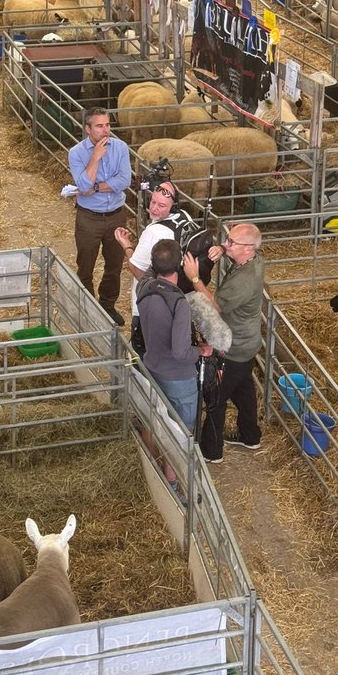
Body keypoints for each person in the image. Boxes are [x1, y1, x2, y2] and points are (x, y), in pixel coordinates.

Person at [183, 222, 264, 463]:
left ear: (248, 248)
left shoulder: (244, 281)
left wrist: (194, 277)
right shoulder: (254, 260)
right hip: (248, 342)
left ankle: (212, 451)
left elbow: (216, 305)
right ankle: (250, 436)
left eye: (231, 242)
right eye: (227, 239)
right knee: (244, 388)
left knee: (216, 399)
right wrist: (221, 248)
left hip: (233, 345)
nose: (227, 243)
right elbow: (233, 249)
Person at [137, 239, 213, 432]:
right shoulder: (179, 302)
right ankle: (172, 463)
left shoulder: (144, 287)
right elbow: (180, 352)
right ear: (180, 265)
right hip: (178, 377)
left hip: (152, 367)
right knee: (181, 432)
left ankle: (152, 461)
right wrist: (200, 351)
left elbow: (150, 269)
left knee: (154, 421)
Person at [68, 107, 132, 326]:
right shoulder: (76, 153)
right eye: (99, 126)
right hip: (89, 218)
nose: (106, 130)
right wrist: (94, 158)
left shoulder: (121, 147)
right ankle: (88, 308)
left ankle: (107, 305)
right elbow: (82, 185)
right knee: (85, 263)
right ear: (88, 129)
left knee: (114, 264)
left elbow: (124, 181)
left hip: (116, 215)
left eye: (107, 125)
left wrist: (94, 187)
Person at [115, 179, 180, 353]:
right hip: (175, 299)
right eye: (152, 202)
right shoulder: (183, 220)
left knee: (143, 355)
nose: (154, 208)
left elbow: (136, 269)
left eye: (161, 205)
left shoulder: (153, 232)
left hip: (149, 302)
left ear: (172, 206)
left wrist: (127, 245)